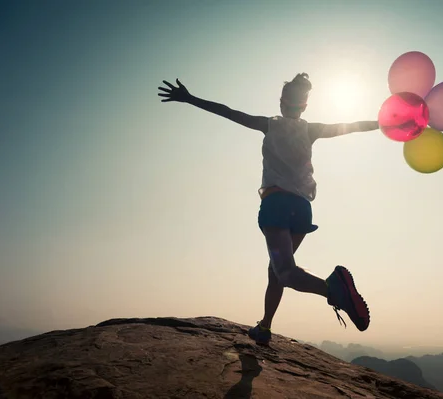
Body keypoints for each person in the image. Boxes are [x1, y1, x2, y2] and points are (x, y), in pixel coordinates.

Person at [158, 73, 378, 345]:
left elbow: (228, 112)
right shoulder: (312, 129)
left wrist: (189, 98)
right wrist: (388, 123)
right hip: (301, 208)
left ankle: (333, 290)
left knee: (284, 271)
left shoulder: (269, 125)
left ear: (282, 103)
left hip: (276, 205)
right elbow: (354, 126)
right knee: (276, 270)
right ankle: (264, 327)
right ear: (304, 107)